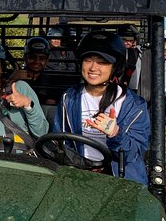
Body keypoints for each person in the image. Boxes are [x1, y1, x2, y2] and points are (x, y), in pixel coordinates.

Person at [53, 30, 150, 184]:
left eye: (102, 62)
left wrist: (115, 134)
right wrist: (80, 164)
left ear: (115, 67)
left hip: (120, 178)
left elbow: (133, 154)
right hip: (79, 174)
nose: (93, 67)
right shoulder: (69, 98)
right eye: (88, 60)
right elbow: (62, 141)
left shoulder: (134, 106)